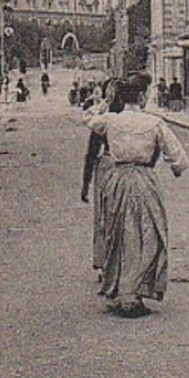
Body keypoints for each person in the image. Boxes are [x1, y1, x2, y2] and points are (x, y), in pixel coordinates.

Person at [86, 72, 188, 317]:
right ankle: (136, 291)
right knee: (148, 233)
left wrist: (105, 102)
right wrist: (175, 168)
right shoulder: (154, 123)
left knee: (118, 232)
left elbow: (90, 118)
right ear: (142, 96)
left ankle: (122, 291)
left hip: (117, 179)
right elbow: (179, 159)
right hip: (144, 180)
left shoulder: (110, 120)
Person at [81, 77, 121, 279]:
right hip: (110, 167)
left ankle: (110, 264)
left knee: (110, 217)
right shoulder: (103, 116)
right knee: (110, 217)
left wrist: (85, 184)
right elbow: (91, 150)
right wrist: (85, 183)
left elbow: (91, 151)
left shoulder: (104, 117)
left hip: (110, 167)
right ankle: (109, 263)